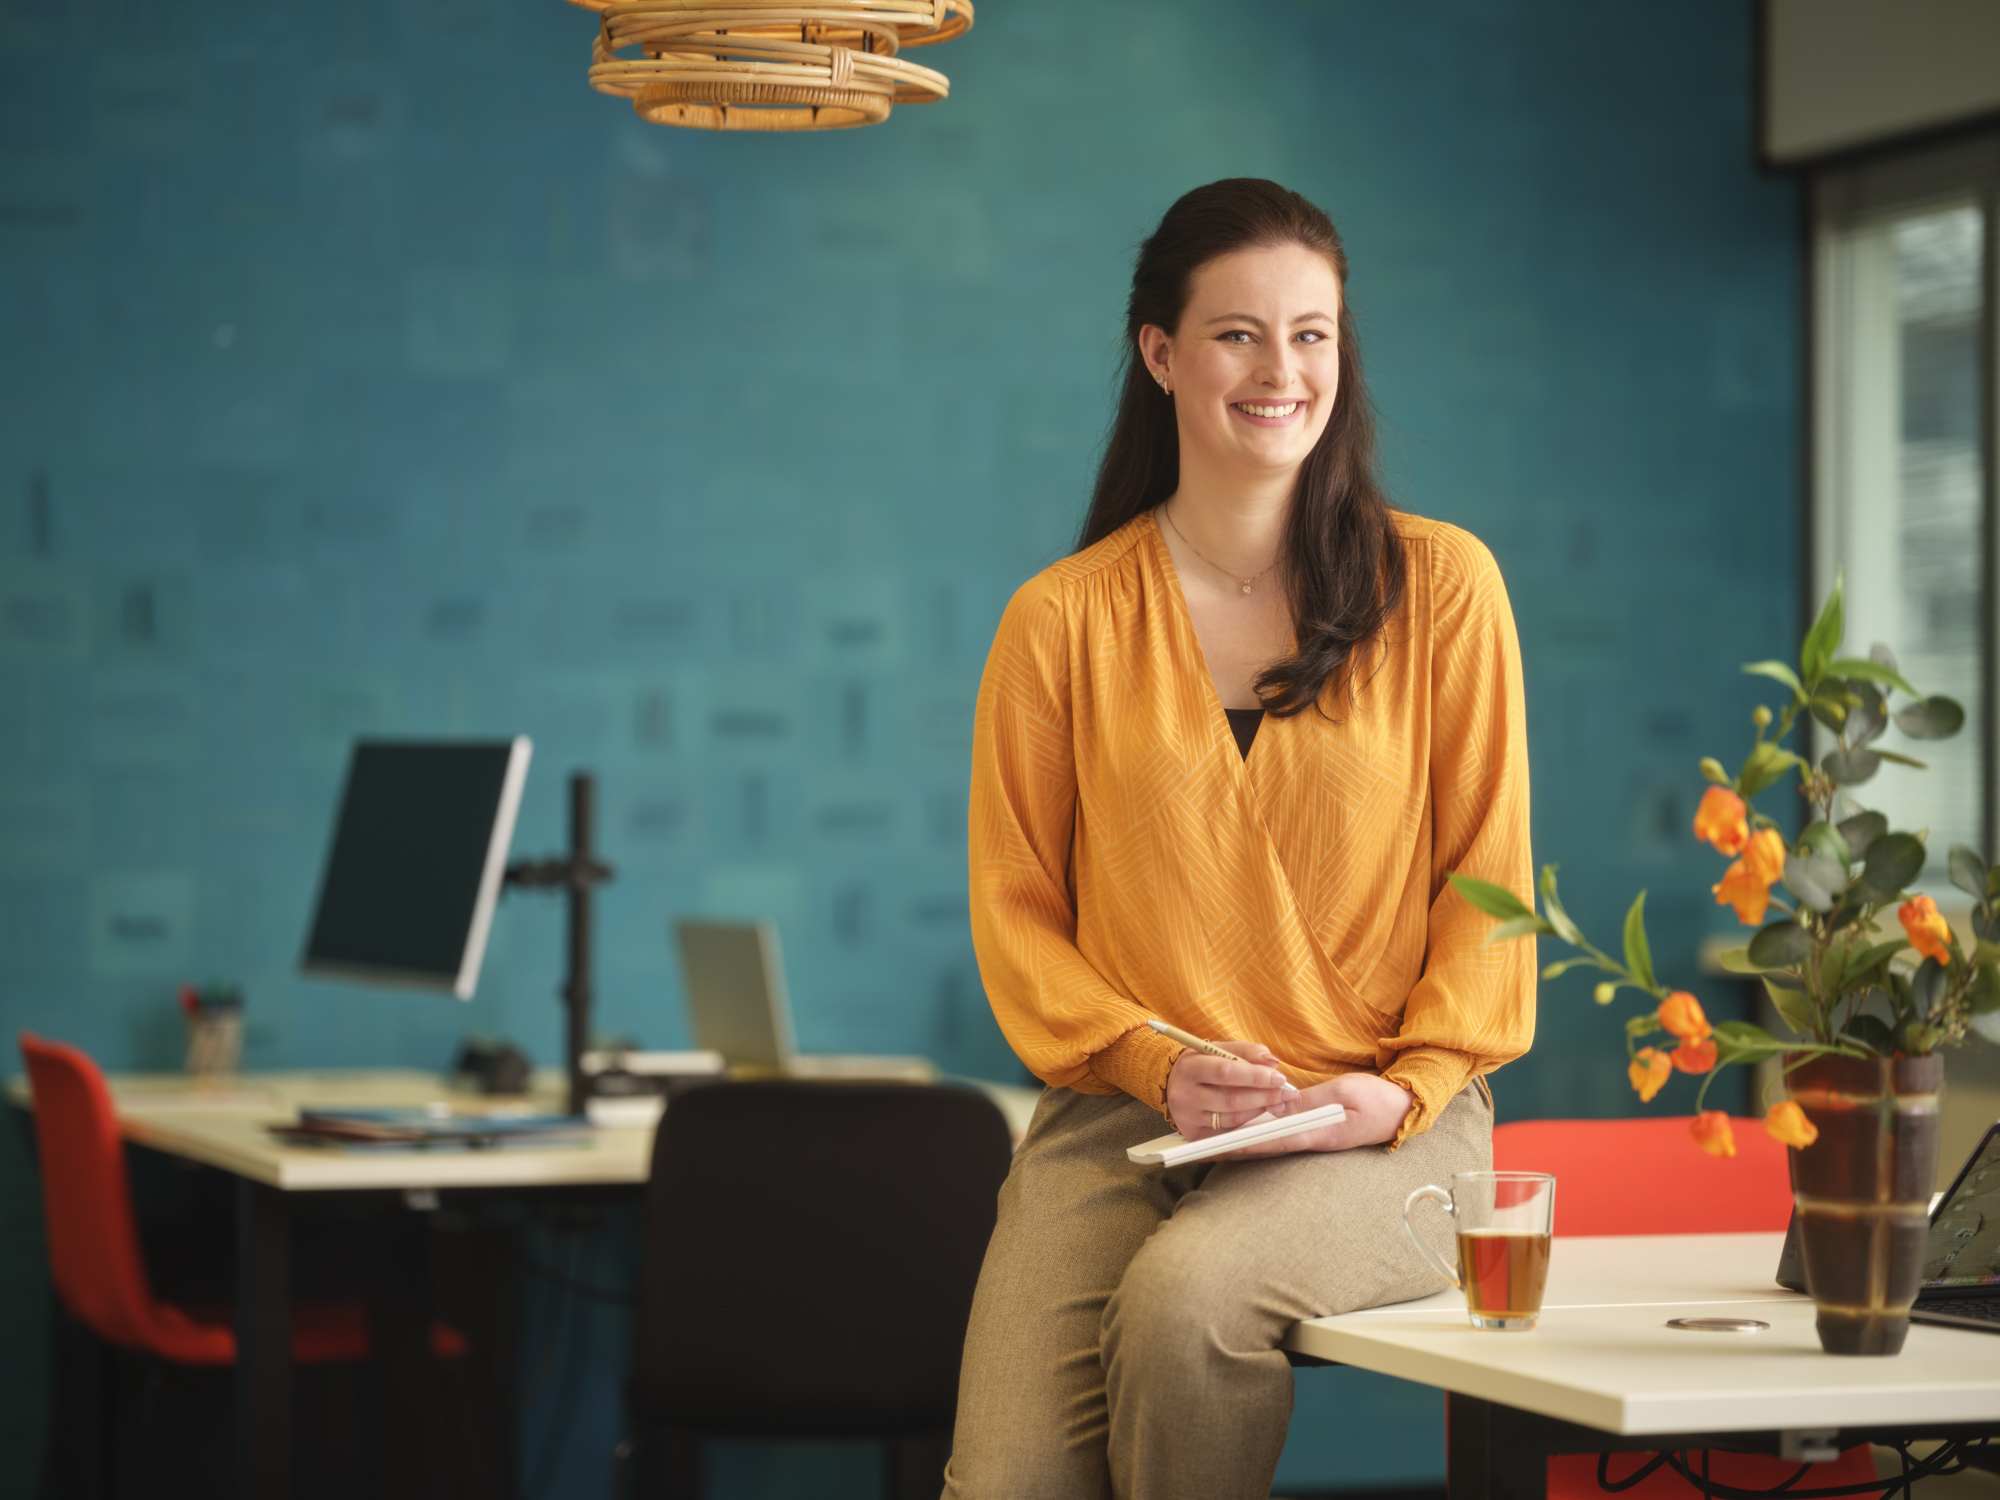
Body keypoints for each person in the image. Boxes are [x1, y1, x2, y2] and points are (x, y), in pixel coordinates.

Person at [944, 179, 1535, 1500]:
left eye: (1313, 333)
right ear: (1160, 352)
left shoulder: (1443, 589)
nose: (1283, 371)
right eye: (1239, 335)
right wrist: (1156, 1064)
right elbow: (1017, 907)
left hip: (1394, 1120)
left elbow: (1491, 892)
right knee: (1002, 1485)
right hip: (1125, 1123)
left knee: (1185, 1303)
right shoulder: (1061, 622)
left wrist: (1395, 1089)